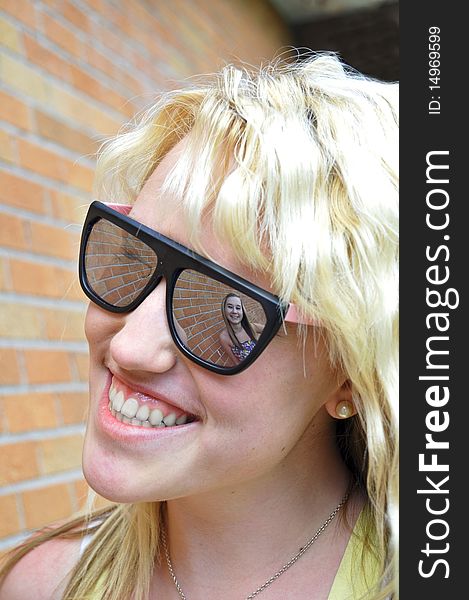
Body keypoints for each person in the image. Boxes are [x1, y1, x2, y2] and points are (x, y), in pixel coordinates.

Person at [0, 53, 398, 599]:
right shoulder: (41, 587)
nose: (133, 346)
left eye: (226, 306)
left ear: (350, 372)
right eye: (132, 252)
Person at [218, 293, 258, 364]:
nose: (234, 311)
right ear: (224, 310)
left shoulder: (251, 327)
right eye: (230, 307)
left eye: (238, 308)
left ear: (242, 311)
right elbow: (237, 363)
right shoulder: (224, 337)